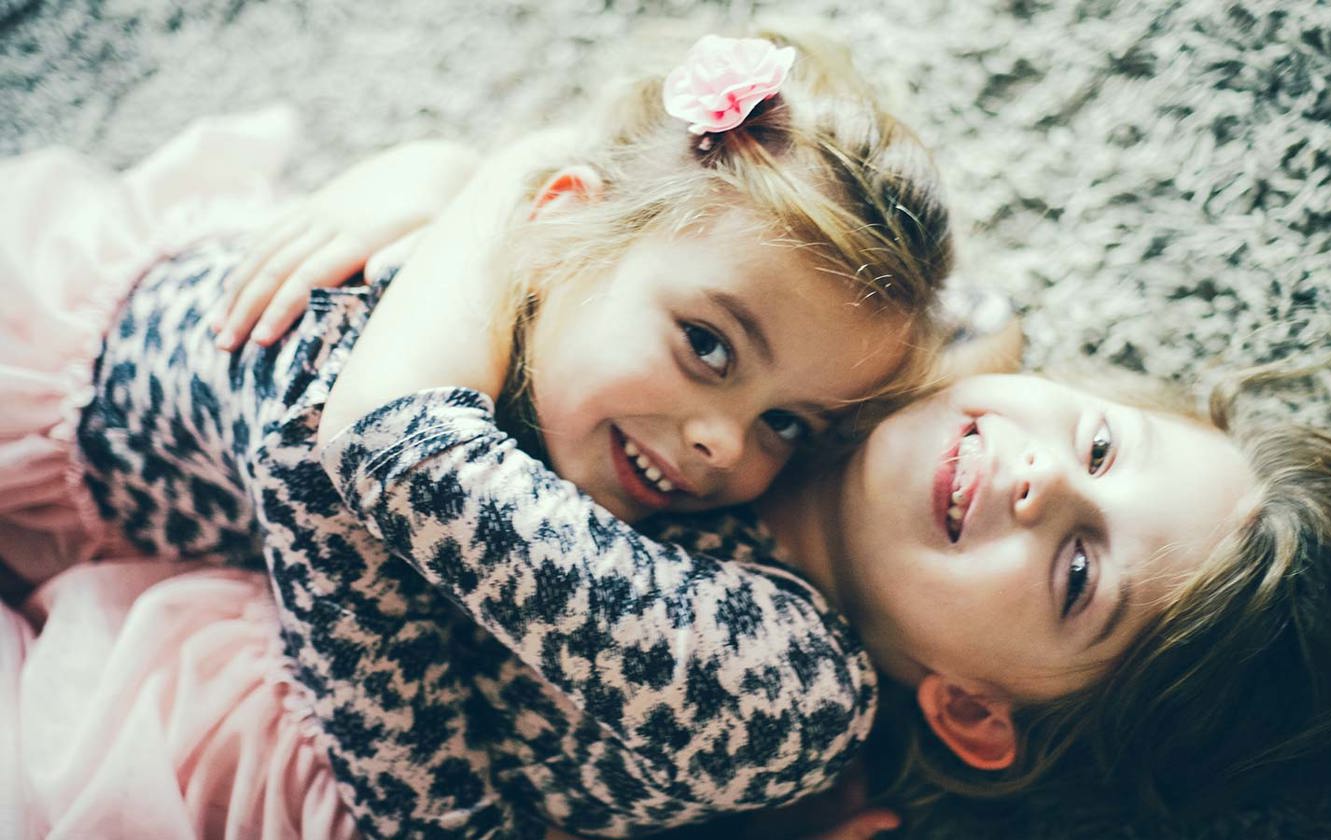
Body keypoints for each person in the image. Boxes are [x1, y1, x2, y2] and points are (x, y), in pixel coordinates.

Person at [1, 29, 956, 838]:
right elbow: (411, 784)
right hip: (70, 425)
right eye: (707, 346)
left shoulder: (594, 379)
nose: (723, 444)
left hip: (225, 526)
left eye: (786, 423)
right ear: (556, 225)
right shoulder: (340, 394)